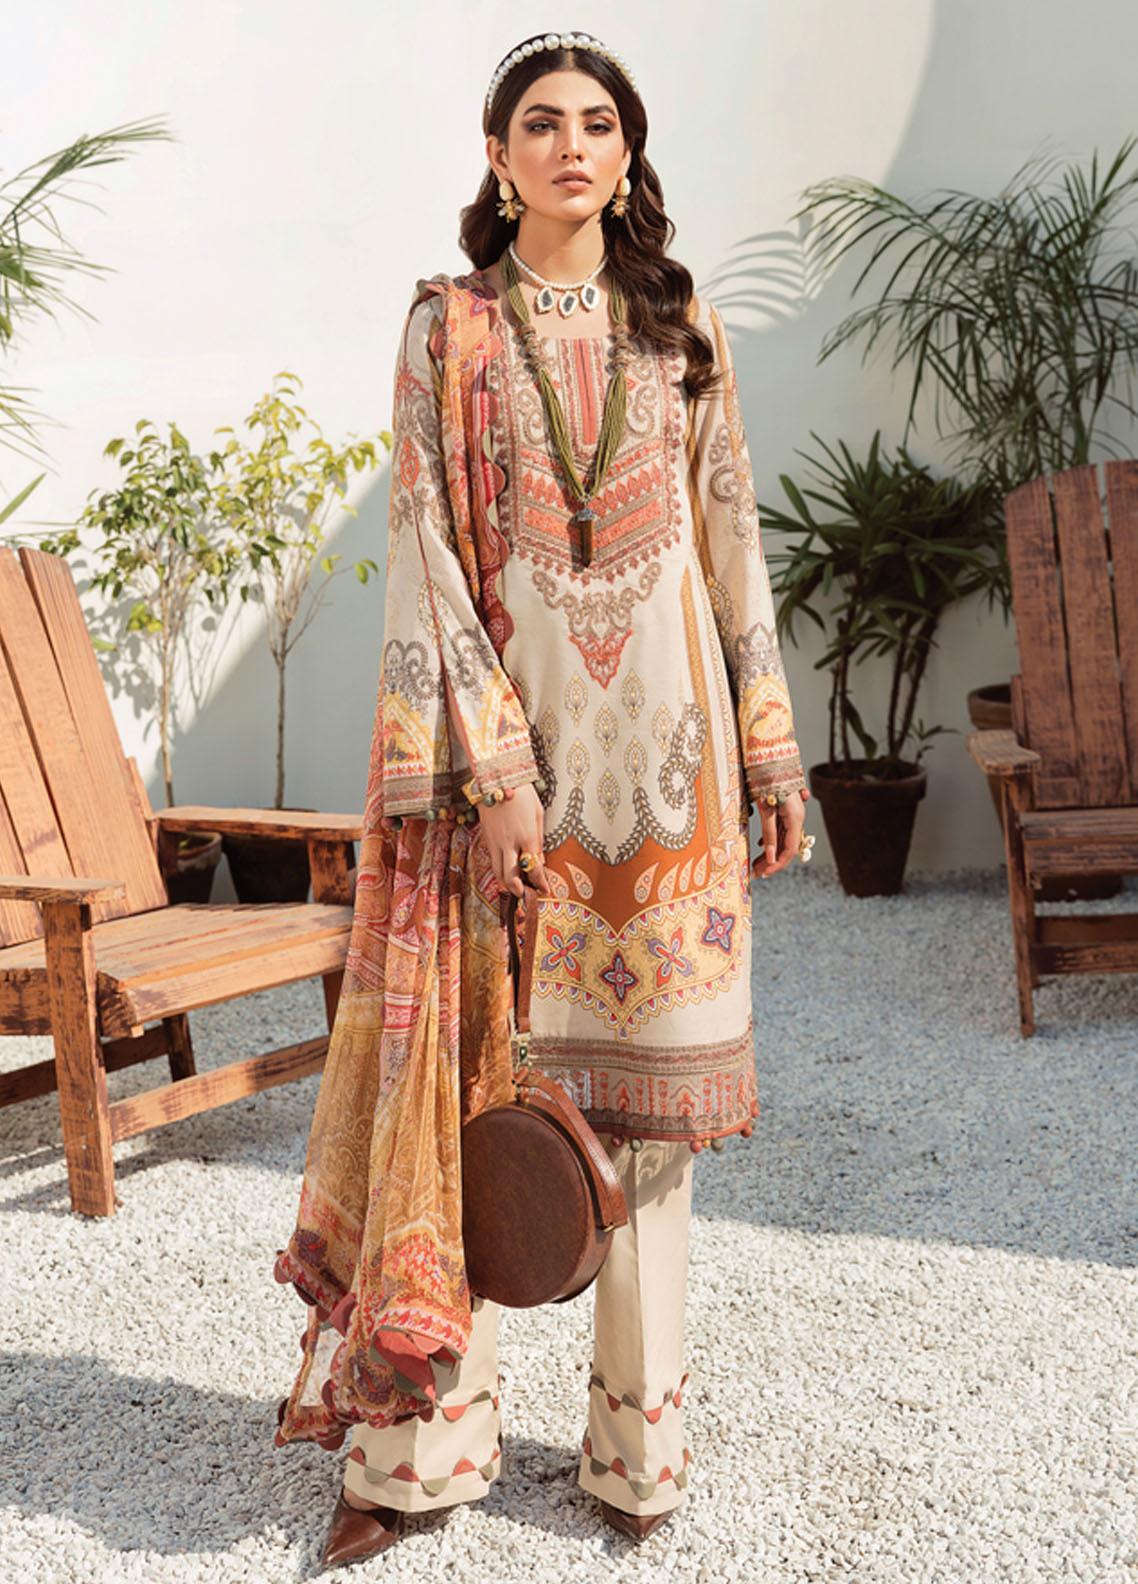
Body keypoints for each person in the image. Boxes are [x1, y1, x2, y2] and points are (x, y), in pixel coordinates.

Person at [271, 29, 813, 1571]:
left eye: (597, 123)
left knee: (647, 1123)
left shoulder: (681, 322)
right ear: (498, 155)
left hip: (668, 779)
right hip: (501, 780)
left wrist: (768, 744)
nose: (571, 144)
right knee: (470, 1102)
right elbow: (429, 553)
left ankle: (637, 1459)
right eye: (540, 122)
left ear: (627, 155)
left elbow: (729, 539)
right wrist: (494, 777)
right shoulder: (445, 328)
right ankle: (423, 1451)